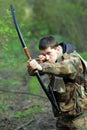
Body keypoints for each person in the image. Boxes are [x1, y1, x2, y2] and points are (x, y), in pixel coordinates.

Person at [27, 35, 87, 130]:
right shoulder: (51, 60)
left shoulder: (73, 58)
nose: (46, 56)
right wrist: (35, 64)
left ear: (58, 49)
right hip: (63, 113)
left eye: (49, 53)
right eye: (43, 54)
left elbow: (67, 68)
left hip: (81, 115)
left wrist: (42, 67)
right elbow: (33, 73)